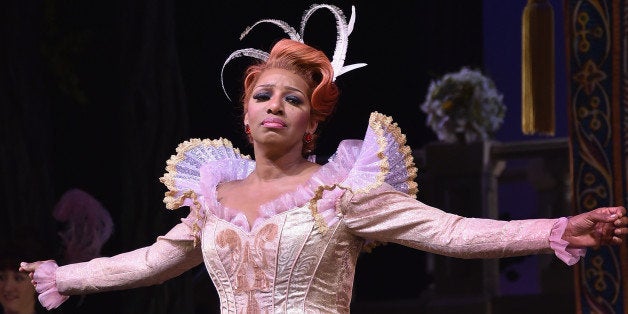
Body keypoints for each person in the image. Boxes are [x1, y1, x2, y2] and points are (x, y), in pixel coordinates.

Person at [19, 5, 628, 313]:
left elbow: (448, 230)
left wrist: (553, 228)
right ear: (246, 113)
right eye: (264, 97)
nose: (276, 107)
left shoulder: (341, 193)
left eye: (293, 100)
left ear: (312, 122)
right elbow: (149, 262)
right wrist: (61, 277)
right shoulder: (213, 199)